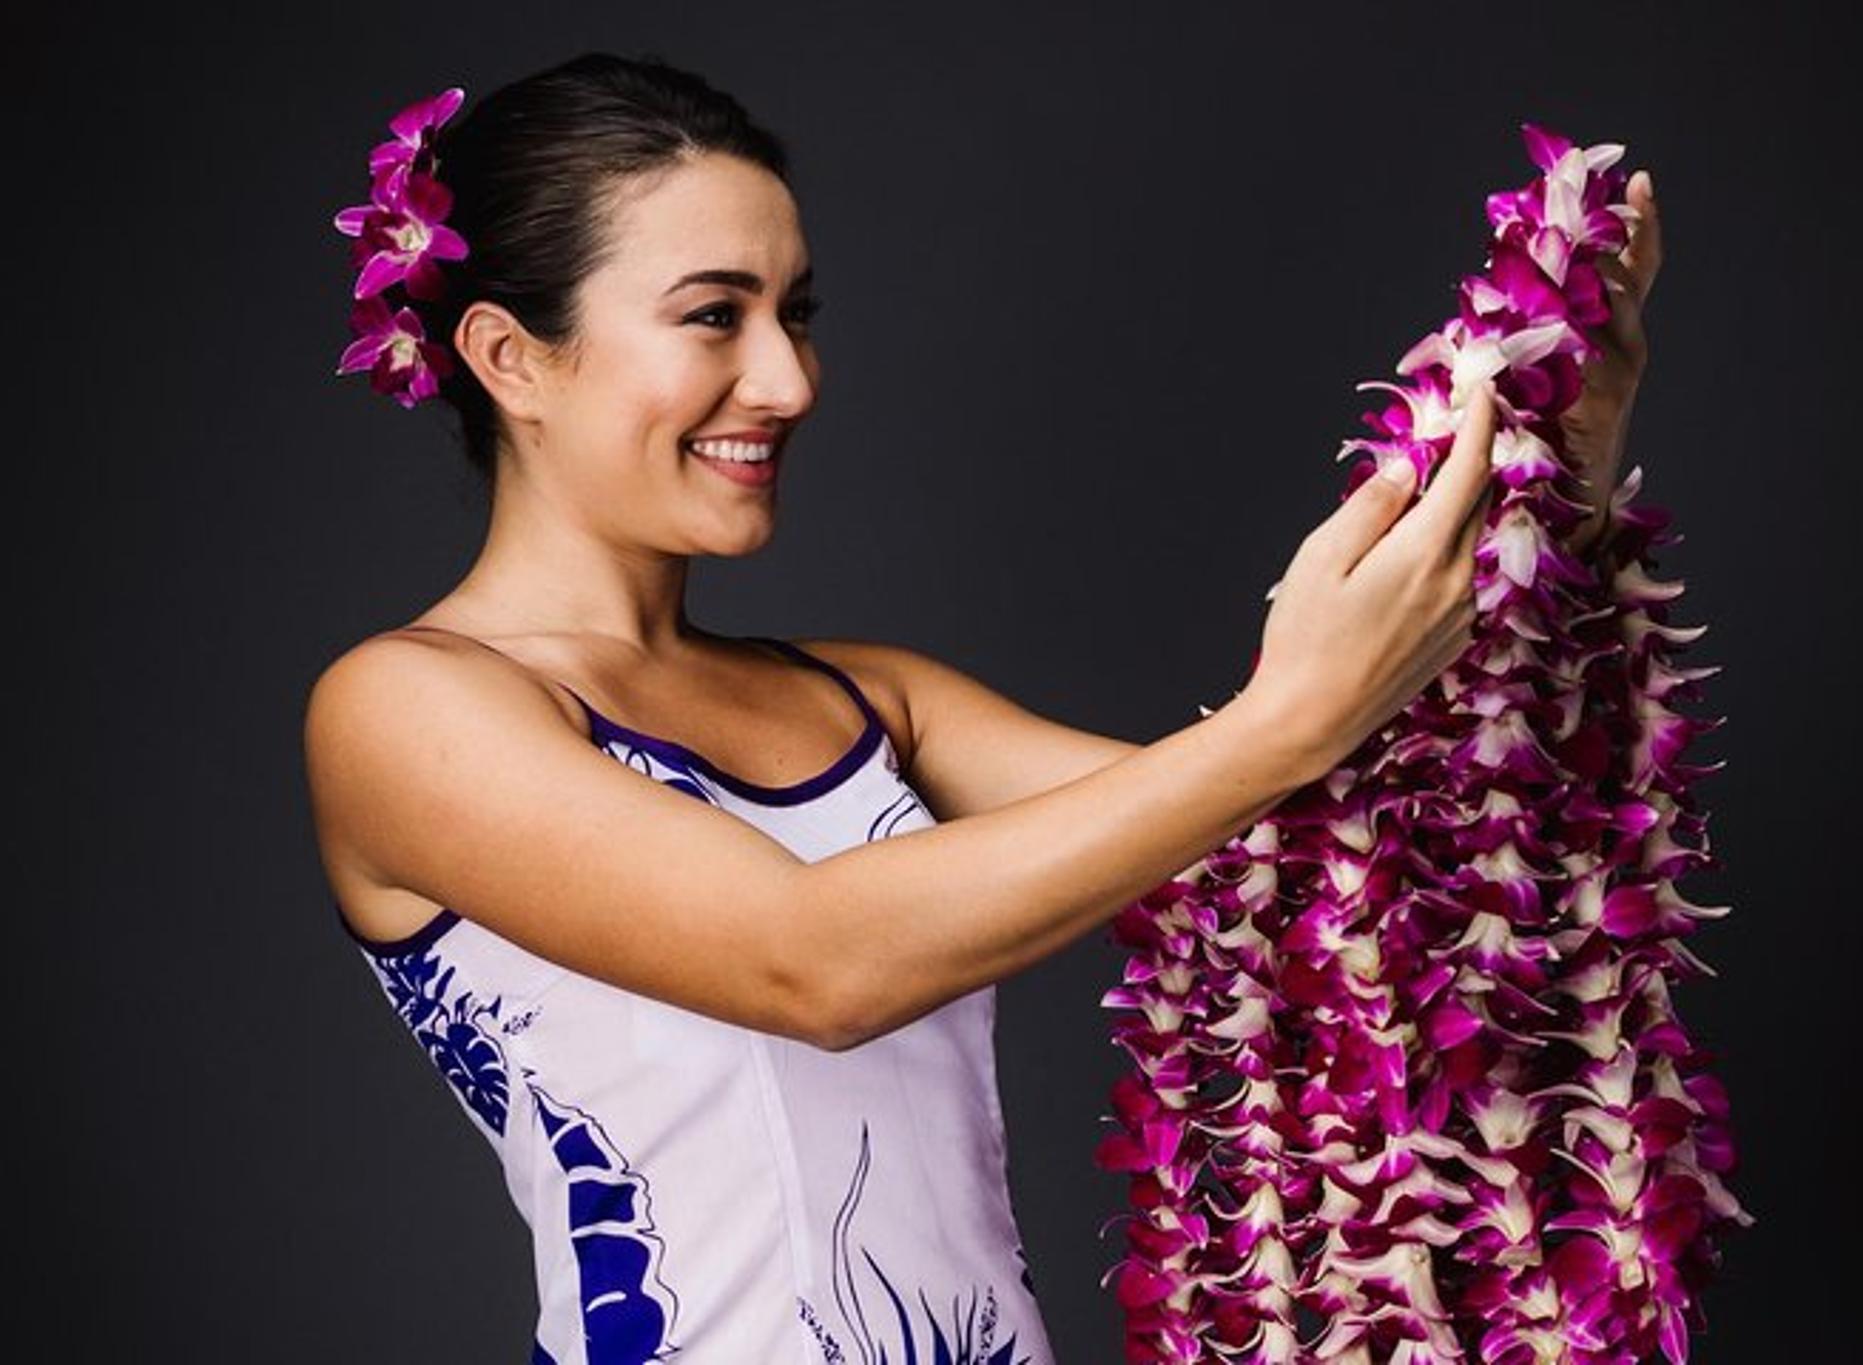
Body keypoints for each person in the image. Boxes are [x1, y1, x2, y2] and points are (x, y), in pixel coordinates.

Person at [304, 50, 1656, 1365]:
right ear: (509, 355)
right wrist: (1276, 718)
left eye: (797, 314)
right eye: (716, 313)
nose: (787, 380)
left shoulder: (870, 698)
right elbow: (814, 963)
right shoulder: (407, 710)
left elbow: (1298, 860)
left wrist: (1544, 503)